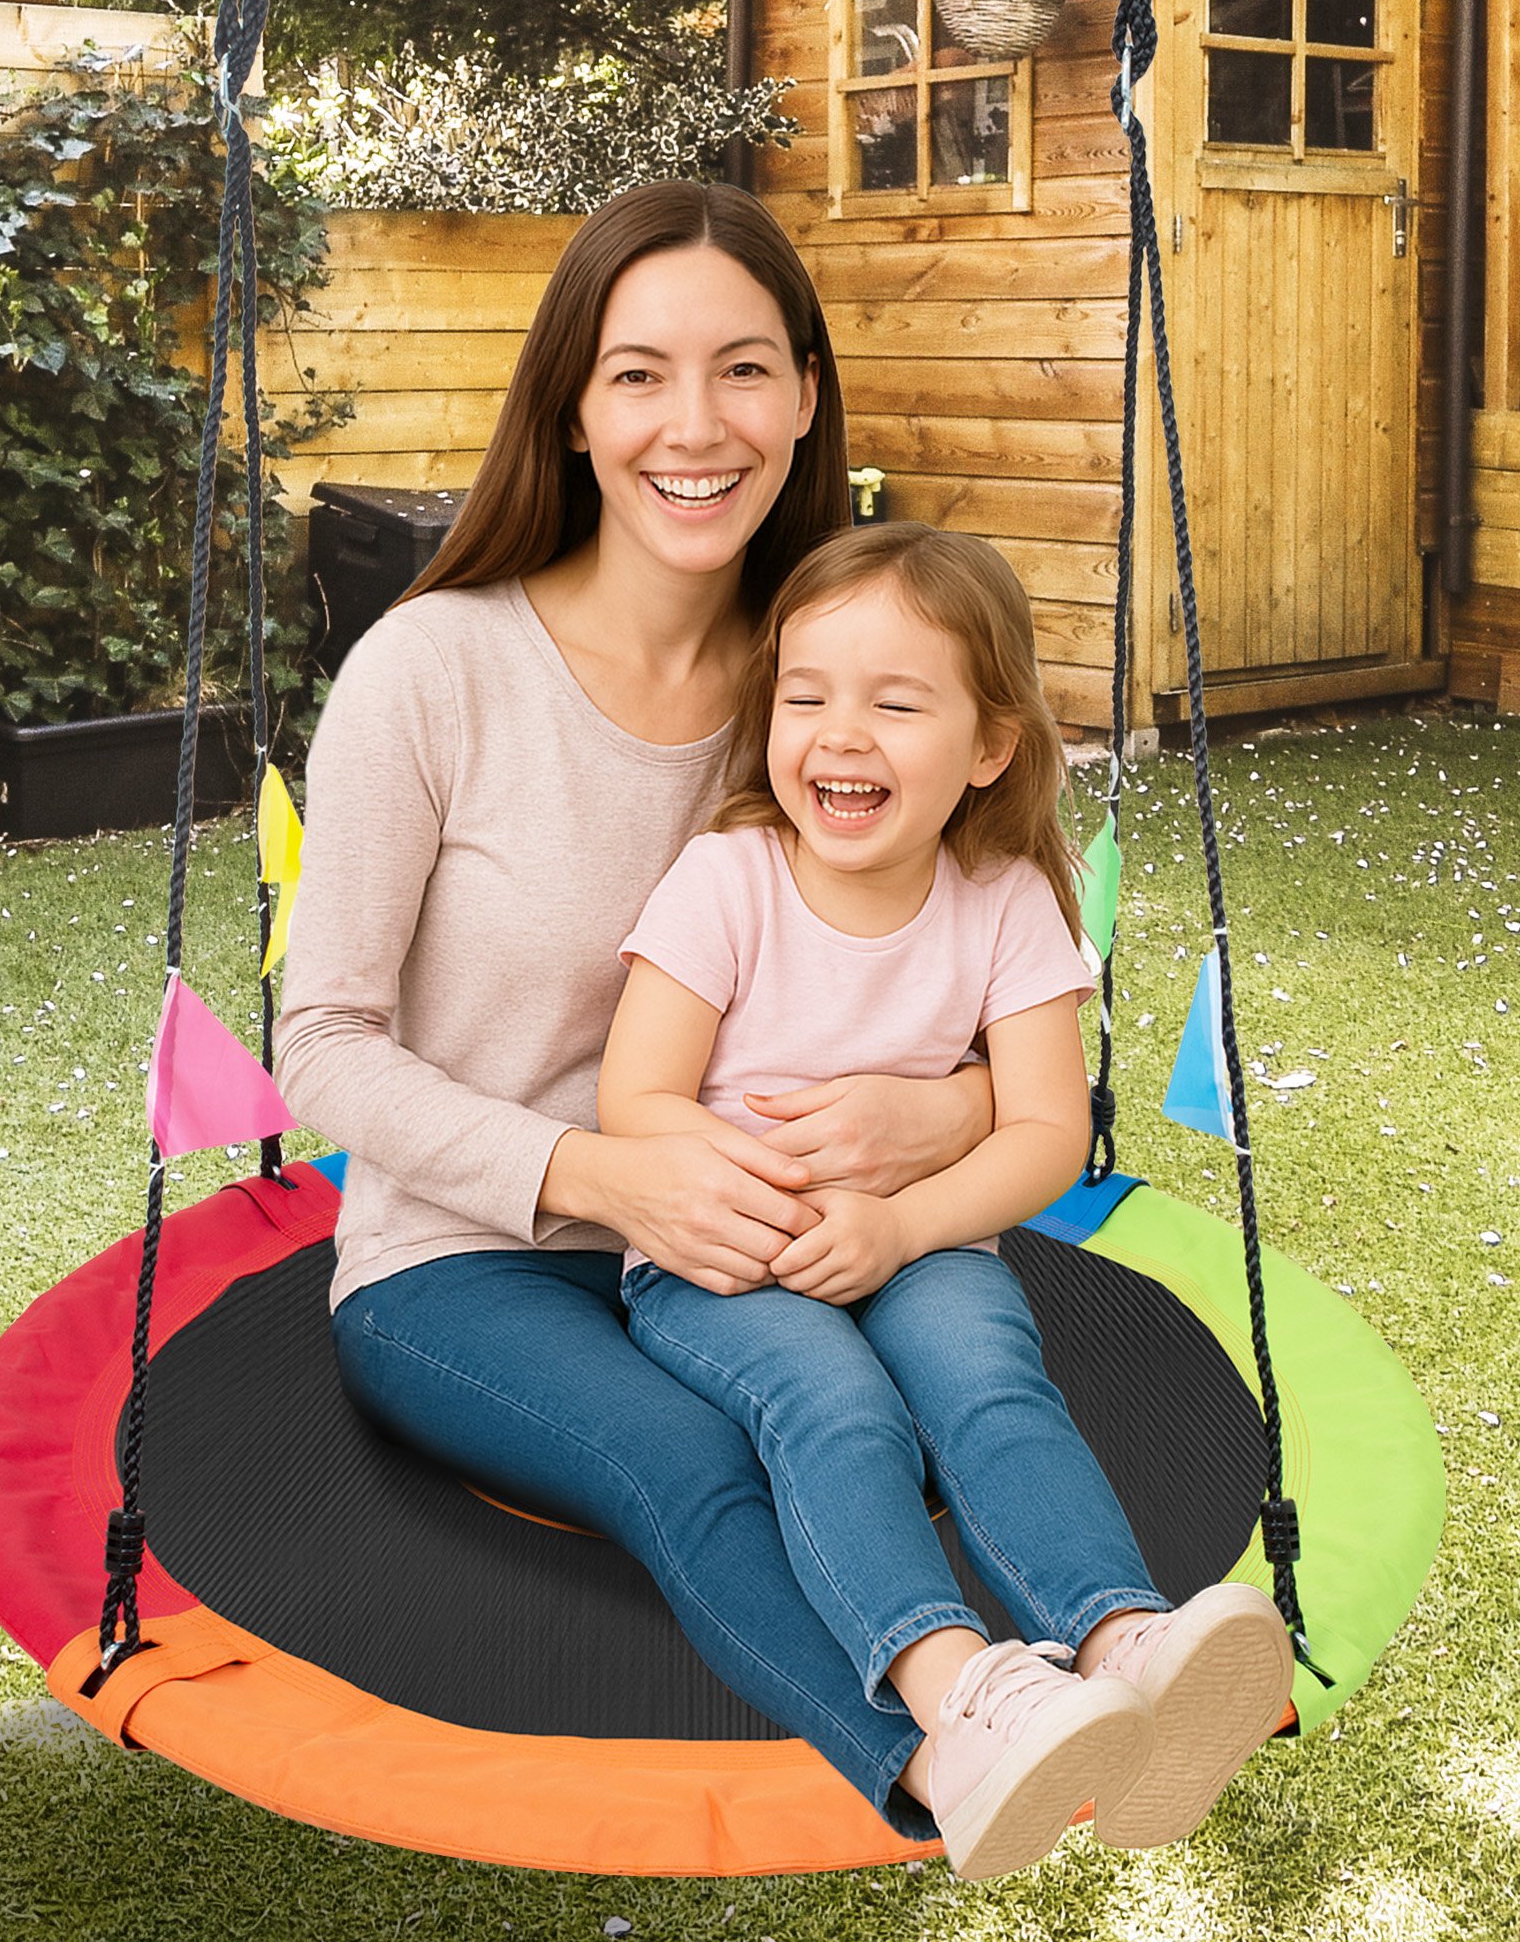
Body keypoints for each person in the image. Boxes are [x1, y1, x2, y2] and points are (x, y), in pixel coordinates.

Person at [273, 181, 1006, 1852]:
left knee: (920, 1417)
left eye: (744, 370)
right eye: (638, 376)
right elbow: (321, 1042)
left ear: (805, 397)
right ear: (573, 412)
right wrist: (597, 1176)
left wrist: (953, 1112)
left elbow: (976, 971)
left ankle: (1096, 1652)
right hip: (469, 1256)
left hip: (755, 1242)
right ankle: (953, 1758)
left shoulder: (832, 684)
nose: (697, 426)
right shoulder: (433, 671)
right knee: (698, 1463)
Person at [596, 522, 1296, 1878]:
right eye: (806, 696)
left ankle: (1121, 1638)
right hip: (721, 1249)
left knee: (989, 1385)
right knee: (835, 1407)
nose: (839, 736)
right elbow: (640, 1100)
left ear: (989, 746)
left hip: (922, 1233)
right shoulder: (727, 881)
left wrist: (905, 1226)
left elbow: (1046, 1133)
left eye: (896, 704)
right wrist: (778, 1206)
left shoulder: (1006, 899)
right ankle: (962, 1692)